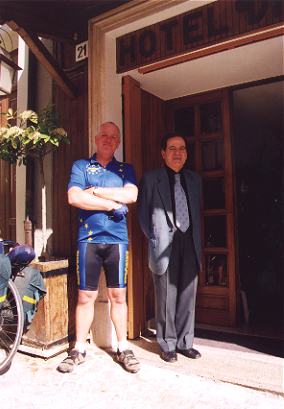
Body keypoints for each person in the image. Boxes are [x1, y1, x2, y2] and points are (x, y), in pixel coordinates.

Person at [57, 122, 140, 373]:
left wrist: (95, 192)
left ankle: (123, 347)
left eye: (113, 137)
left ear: (118, 142)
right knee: (85, 297)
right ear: (96, 138)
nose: (108, 139)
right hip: (89, 240)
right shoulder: (81, 166)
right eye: (104, 135)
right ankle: (78, 348)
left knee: (118, 297)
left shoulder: (126, 169)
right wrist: (111, 205)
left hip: (117, 241)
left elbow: (131, 196)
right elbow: (74, 197)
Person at [138, 133, 202, 363]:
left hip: (190, 242)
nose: (178, 152)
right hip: (164, 243)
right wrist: (155, 238)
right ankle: (167, 344)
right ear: (163, 153)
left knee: (187, 294)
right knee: (166, 296)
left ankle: (186, 342)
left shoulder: (194, 180)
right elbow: (144, 216)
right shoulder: (151, 179)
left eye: (182, 148)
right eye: (172, 148)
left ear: (186, 153)